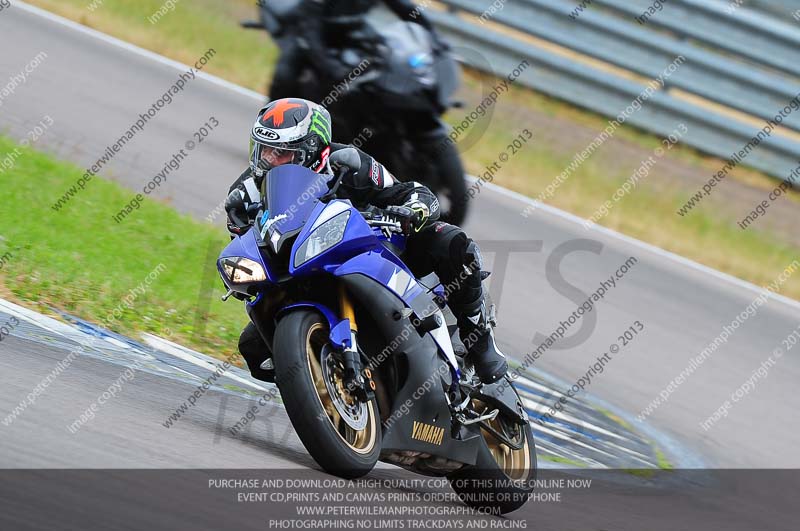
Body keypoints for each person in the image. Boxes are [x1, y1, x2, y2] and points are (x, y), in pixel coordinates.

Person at [225, 98, 507, 384]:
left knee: (452, 242)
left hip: (370, 249)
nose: (269, 160)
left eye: (280, 153)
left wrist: (411, 211)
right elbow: (247, 247)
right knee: (254, 351)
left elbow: (407, 192)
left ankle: (479, 340)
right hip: (297, 273)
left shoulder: (348, 162)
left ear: (310, 150)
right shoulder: (243, 194)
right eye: (264, 150)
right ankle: (330, 387)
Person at [268, 0, 446, 100]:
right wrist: (330, 67)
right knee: (286, 74)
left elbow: (406, 9)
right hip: (310, 31)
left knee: (388, 55)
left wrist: (434, 37)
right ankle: (275, 129)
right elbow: (310, 30)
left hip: (351, 30)